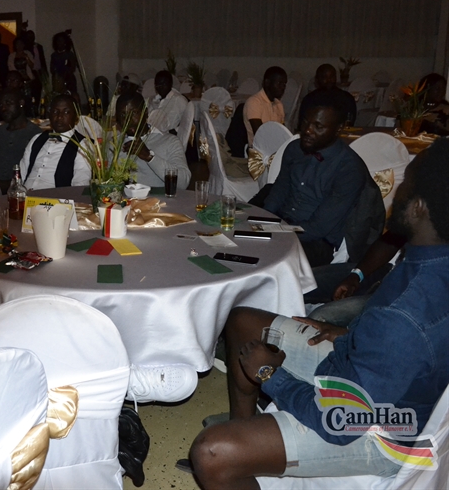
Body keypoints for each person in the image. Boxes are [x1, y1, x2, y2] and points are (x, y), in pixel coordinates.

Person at [182, 139, 449, 488]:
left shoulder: (404, 315)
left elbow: (341, 421)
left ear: (419, 208)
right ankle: (247, 437)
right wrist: (353, 333)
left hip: (380, 432)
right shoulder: (429, 260)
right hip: (366, 373)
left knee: (211, 453)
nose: (396, 192)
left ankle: (235, 459)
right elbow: (408, 348)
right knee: (244, 321)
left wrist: (270, 374)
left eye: (405, 185)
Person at [262, 97, 368, 267]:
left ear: (338, 129)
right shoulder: (294, 149)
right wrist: (261, 222)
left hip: (316, 242)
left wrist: (277, 233)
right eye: (305, 122)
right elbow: (279, 191)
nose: (307, 130)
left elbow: (319, 227)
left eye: (318, 126)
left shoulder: (349, 168)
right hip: (281, 225)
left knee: (265, 258)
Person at [116, 92, 190, 189]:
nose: (128, 120)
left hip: (157, 198)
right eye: (123, 115)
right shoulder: (113, 144)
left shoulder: (169, 141)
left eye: (134, 113)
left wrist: (149, 156)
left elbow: (183, 183)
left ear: (145, 113)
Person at [19, 94, 91, 190]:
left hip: (55, 197)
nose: (59, 117)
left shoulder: (82, 145)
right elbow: (21, 173)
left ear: (76, 117)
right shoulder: (37, 139)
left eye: (66, 112)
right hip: (24, 195)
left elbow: (80, 185)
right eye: (55, 111)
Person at [0, 88, 42, 192]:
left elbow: (35, 174)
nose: (3, 108)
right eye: (1, 105)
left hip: (21, 191)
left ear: (21, 103)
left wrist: (5, 185)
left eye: (8, 103)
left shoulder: (34, 134)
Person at [298, 64, 357, 129]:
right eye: (324, 77)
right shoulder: (309, 100)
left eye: (332, 77)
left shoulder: (347, 98)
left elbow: (350, 122)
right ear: (317, 80)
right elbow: (303, 124)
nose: (329, 80)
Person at [243, 66, 287, 146]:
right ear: (267, 83)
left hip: (275, 147)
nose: (283, 88)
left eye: (284, 84)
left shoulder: (278, 104)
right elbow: (260, 134)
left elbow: (283, 132)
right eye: (279, 83)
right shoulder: (254, 102)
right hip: (259, 150)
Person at [146, 70, 188, 137]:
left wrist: (174, 131)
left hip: (170, 137)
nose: (160, 87)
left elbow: (188, 123)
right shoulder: (153, 100)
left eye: (163, 84)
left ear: (170, 84)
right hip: (151, 135)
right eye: (158, 85)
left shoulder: (179, 100)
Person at [419, 72, 449, 137]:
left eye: (443, 89)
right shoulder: (413, 108)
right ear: (427, 89)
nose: (441, 92)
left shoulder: (446, 110)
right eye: (437, 88)